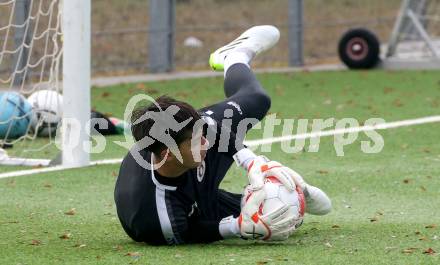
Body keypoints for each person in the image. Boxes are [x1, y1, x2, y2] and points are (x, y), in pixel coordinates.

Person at [114, 25, 331, 245]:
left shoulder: (178, 136)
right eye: (198, 141)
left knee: (257, 99)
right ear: (168, 154)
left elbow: (212, 129)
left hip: (188, 170)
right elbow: (191, 232)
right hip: (192, 204)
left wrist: (251, 161)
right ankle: (295, 195)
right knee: (275, 213)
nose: (207, 143)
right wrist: (237, 227)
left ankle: (234, 56)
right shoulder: (158, 217)